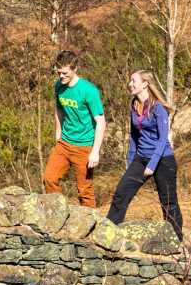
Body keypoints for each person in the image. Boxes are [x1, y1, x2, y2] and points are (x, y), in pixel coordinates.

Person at [106, 70, 183, 239]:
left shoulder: (158, 108)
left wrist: (152, 164)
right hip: (141, 158)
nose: (130, 84)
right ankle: (108, 234)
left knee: (168, 202)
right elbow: (134, 136)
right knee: (121, 193)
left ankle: (176, 241)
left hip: (163, 159)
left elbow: (163, 139)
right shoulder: (134, 106)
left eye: (133, 81)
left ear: (145, 84)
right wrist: (130, 160)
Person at [44, 50, 105, 206]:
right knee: (49, 179)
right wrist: (58, 135)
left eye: (65, 73)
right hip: (64, 143)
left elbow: (101, 121)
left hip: (84, 147)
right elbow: (58, 110)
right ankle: (57, 214)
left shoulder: (88, 91)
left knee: (85, 191)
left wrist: (95, 152)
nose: (61, 76)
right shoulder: (59, 87)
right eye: (58, 73)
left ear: (75, 68)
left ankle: (91, 226)